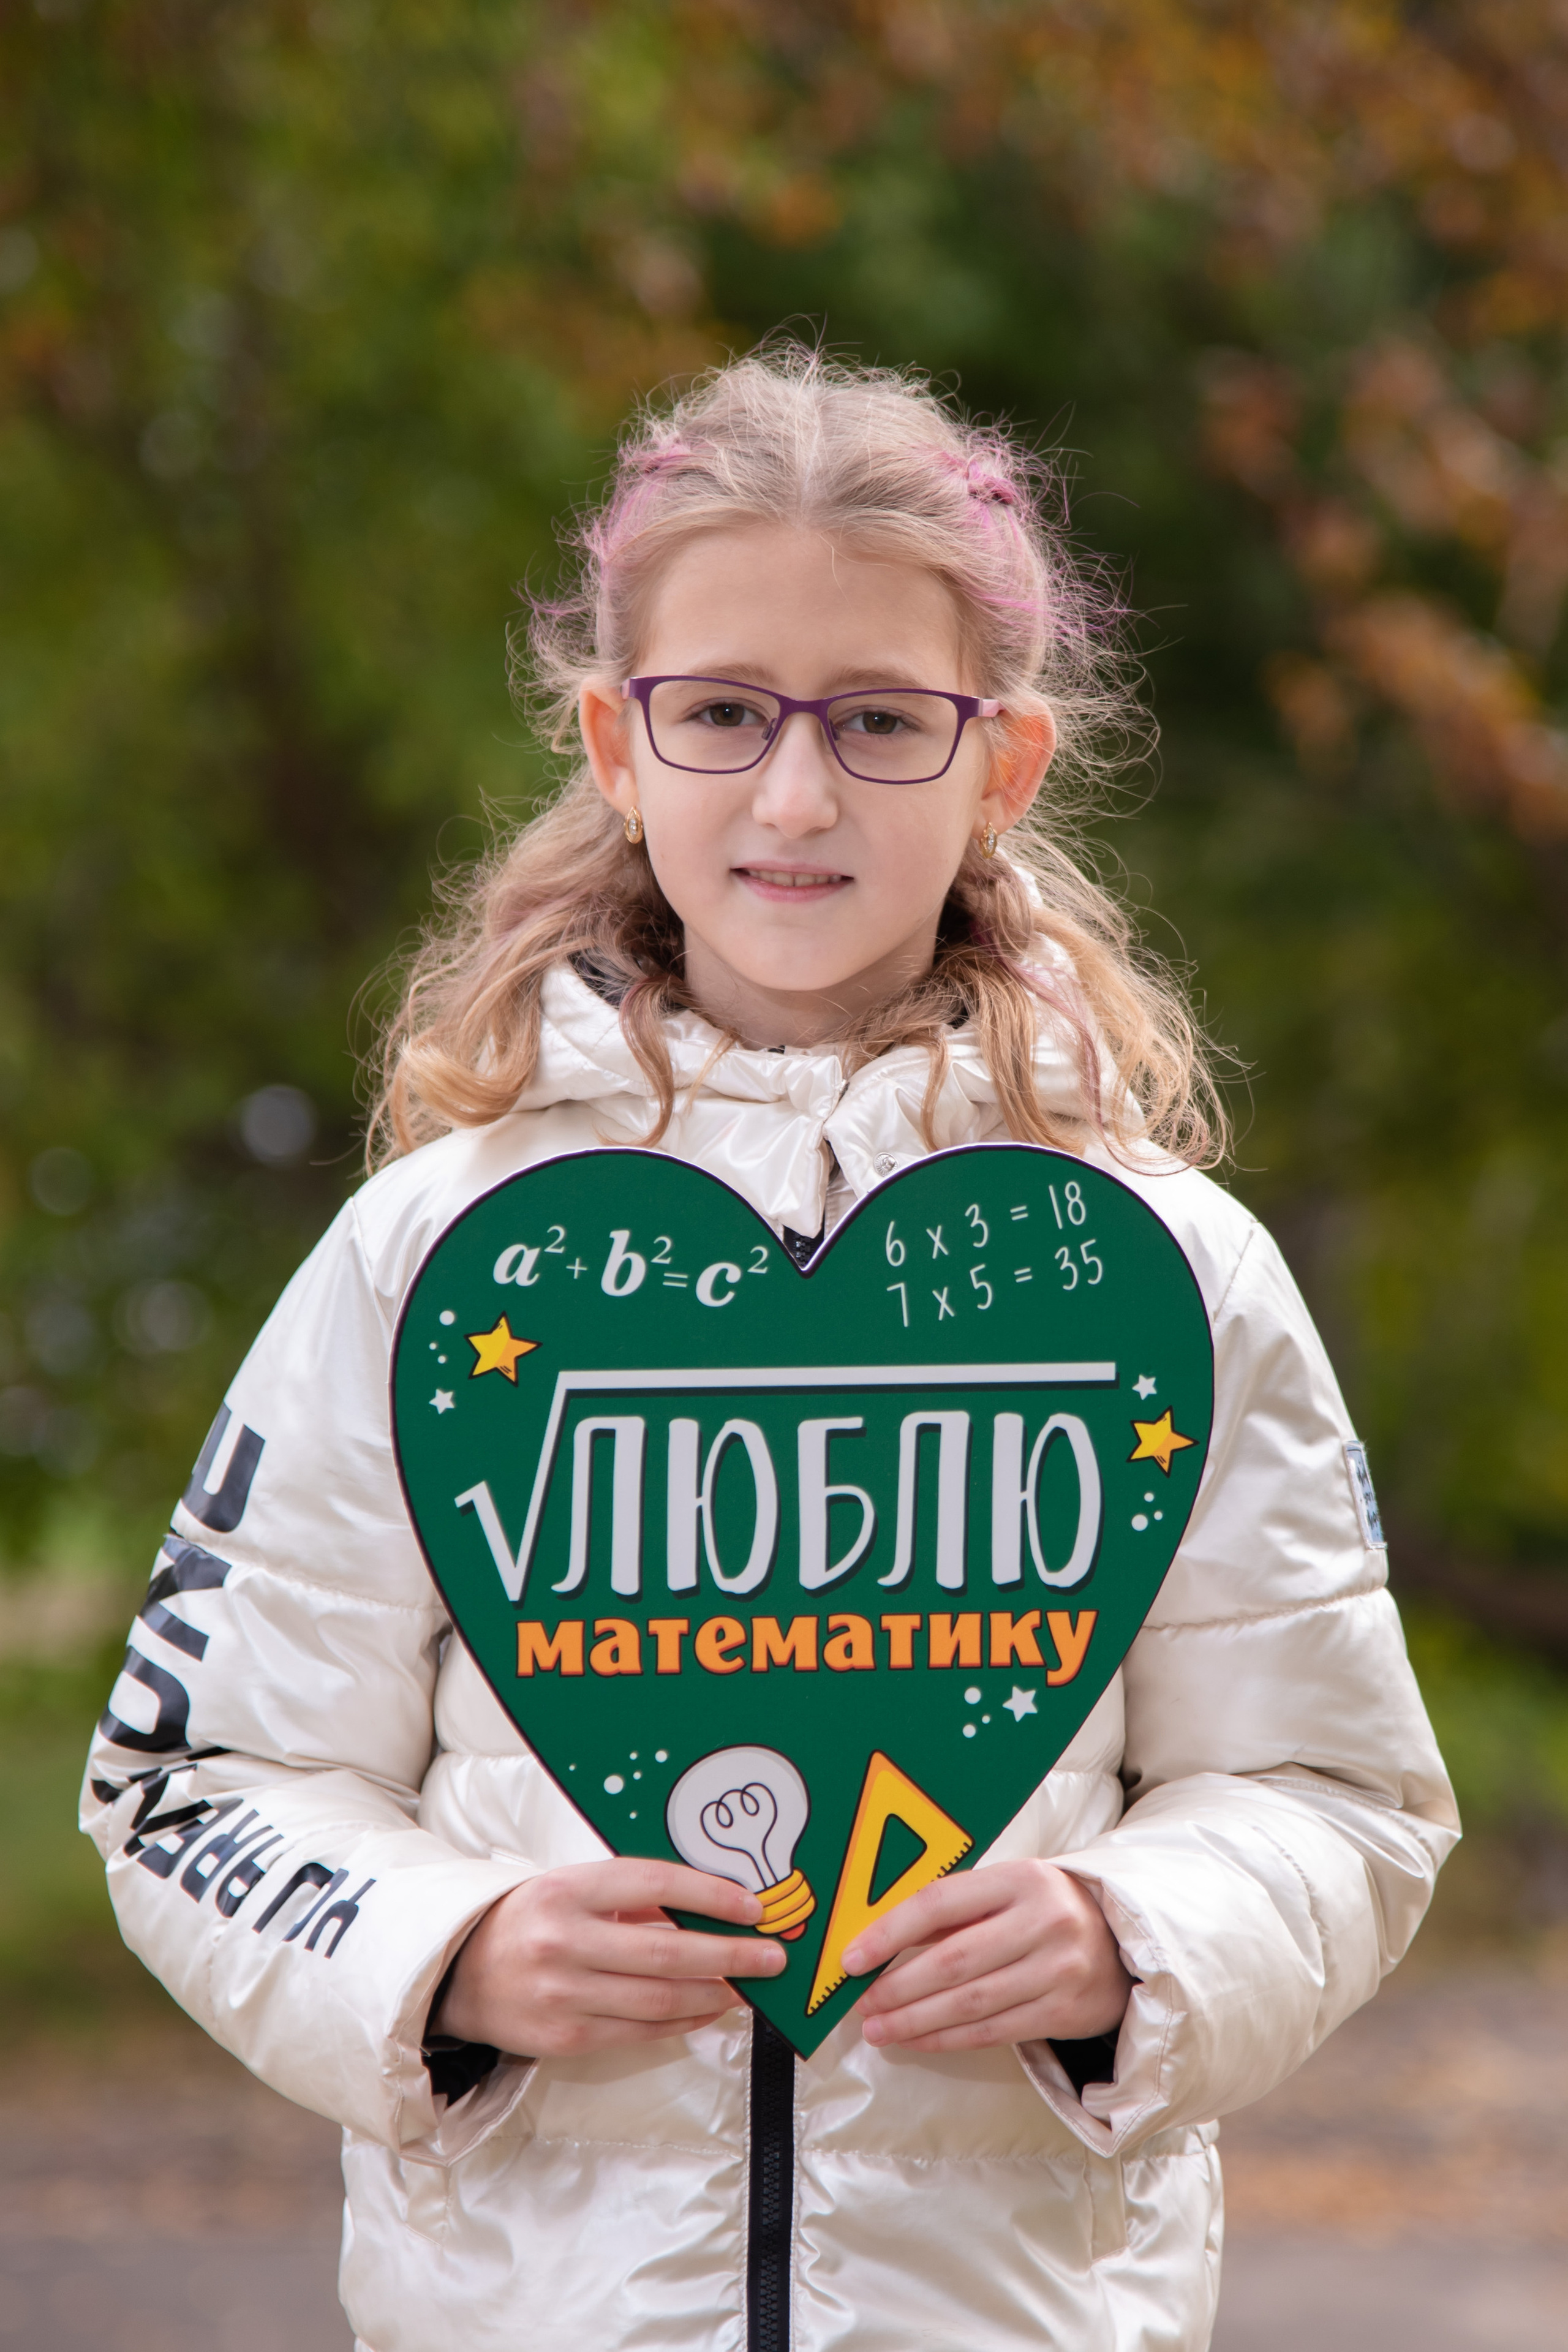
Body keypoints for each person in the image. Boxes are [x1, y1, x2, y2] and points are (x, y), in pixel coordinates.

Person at [83, 347, 1457, 2352]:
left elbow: (1337, 1792)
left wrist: (1124, 1938)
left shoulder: (1167, 1272)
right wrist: (446, 1954)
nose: (796, 792)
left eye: (883, 721)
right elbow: (195, 1782)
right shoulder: (429, 1258)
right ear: (617, 745)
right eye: (723, 711)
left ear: (1003, 766)